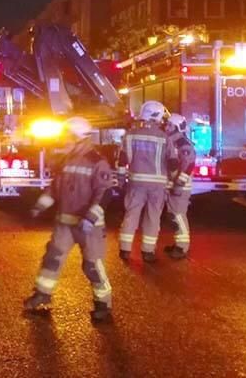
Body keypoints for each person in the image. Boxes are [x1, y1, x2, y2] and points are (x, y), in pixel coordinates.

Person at [25, 116, 116, 322]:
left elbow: (105, 194)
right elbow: (55, 189)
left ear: (77, 137)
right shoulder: (67, 159)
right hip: (65, 223)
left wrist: (90, 218)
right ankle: (42, 294)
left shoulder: (97, 161)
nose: (63, 139)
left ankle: (103, 305)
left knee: (92, 266)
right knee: (52, 258)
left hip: (88, 226)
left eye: (67, 135)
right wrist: (39, 206)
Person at [117, 100, 173, 263]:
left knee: (131, 214)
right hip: (158, 185)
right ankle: (148, 251)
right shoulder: (164, 137)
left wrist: (121, 179)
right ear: (157, 116)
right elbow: (172, 162)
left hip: (136, 182)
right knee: (153, 217)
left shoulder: (131, 134)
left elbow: (122, 159)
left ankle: (125, 249)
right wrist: (173, 183)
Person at [164, 113, 196, 259]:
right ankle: (178, 243)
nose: (166, 127)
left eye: (170, 125)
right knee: (173, 215)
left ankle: (182, 247)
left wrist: (179, 184)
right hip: (173, 185)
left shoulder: (183, 144)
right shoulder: (172, 142)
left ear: (177, 127)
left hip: (180, 187)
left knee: (178, 216)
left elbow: (188, 165)